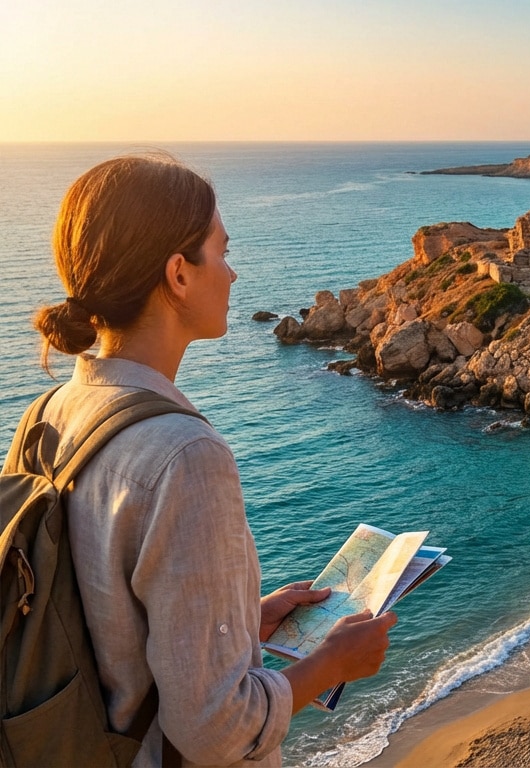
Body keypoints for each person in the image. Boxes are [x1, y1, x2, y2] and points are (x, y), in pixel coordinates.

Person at [29, 153, 396, 766]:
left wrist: (245, 620)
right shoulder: (185, 454)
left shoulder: (47, 413)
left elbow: (100, 628)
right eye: (221, 252)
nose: (231, 274)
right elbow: (215, 727)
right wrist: (334, 663)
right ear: (178, 273)